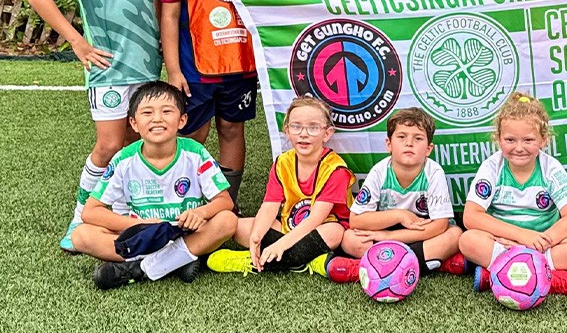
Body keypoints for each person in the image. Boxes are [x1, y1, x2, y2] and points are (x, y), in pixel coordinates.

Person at [27, 0, 162, 251]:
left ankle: (127, 216)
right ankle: (79, 216)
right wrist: (77, 42)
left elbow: (155, 6)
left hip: (146, 68)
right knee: (108, 146)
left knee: (139, 146)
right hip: (107, 68)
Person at [160, 0, 266, 210]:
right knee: (193, 135)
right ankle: (186, 201)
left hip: (240, 64)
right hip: (196, 67)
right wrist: (174, 70)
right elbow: (170, 15)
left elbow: (263, 9)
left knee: (233, 130)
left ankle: (226, 204)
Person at [71, 81, 238, 289]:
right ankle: (178, 260)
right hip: (144, 237)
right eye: (147, 113)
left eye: (167, 111)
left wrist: (201, 213)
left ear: (182, 120)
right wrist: (139, 225)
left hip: (185, 232)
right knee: (81, 236)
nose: (157, 119)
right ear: (133, 123)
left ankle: (141, 269)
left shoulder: (195, 153)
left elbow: (225, 201)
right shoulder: (124, 159)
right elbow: (90, 212)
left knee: (228, 221)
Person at [459, 92, 567, 299]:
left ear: (543, 139)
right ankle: (552, 279)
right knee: (468, 240)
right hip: (505, 243)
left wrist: (542, 241)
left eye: (528, 140)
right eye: (510, 140)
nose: (519, 147)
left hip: (543, 244)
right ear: (498, 139)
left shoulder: (550, 168)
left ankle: (499, 275)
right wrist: (521, 236)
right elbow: (471, 216)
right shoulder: (492, 167)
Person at [207, 97, 354, 275]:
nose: (304, 133)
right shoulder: (282, 162)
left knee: (335, 232)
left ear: (327, 133)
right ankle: (309, 258)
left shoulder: (335, 168)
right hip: (287, 227)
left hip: (321, 228)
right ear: (287, 130)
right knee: (240, 228)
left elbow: (316, 218)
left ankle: (252, 261)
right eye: (296, 126)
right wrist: (256, 237)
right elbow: (269, 206)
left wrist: (280, 245)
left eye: (313, 127)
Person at [325, 108, 464, 283]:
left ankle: (370, 268)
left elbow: (439, 226)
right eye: (401, 137)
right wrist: (399, 216)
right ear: (388, 144)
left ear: (429, 149)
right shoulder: (379, 172)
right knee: (349, 239)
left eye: (418, 138)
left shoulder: (434, 172)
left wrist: (390, 238)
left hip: (420, 234)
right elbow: (356, 220)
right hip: (386, 230)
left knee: (455, 235)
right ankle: (432, 263)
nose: (409, 143)